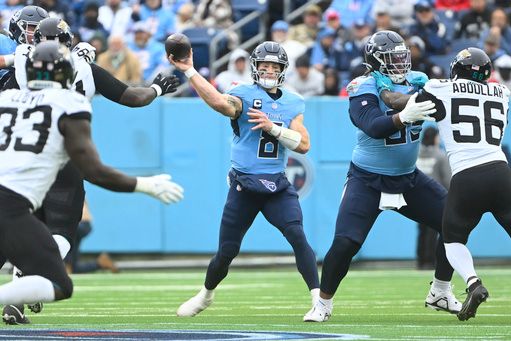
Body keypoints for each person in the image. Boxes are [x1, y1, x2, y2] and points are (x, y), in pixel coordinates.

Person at [1, 15, 180, 324]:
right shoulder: (72, 97)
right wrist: (144, 185)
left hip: (10, 176)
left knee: (22, 239)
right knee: (59, 246)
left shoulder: (8, 94)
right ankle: (22, 282)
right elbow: (95, 165)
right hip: (43, 174)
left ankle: (22, 279)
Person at [303, 30, 461, 323]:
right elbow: (373, 125)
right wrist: (404, 115)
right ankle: (323, 303)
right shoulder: (363, 86)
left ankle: (440, 290)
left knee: (453, 223)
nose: (401, 62)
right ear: (375, 61)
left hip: (408, 178)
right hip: (368, 179)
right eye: (393, 58)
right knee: (346, 242)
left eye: (403, 56)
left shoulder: (419, 81)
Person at [169, 41, 320, 317]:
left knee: (297, 235)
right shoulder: (243, 94)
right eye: (264, 65)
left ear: (283, 70)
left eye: (274, 66)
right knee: (226, 252)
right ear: (255, 67)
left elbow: (304, 144)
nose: (269, 70)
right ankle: (205, 295)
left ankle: (319, 301)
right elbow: (219, 103)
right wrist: (190, 71)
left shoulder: (293, 101)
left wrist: (274, 128)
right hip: (244, 186)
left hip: (276, 185)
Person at [377, 47, 511, 321]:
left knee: (452, 238)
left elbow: (401, 103)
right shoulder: (503, 93)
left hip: (467, 175)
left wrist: (381, 89)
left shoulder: (441, 88)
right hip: (501, 171)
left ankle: (473, 283)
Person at [416, 127, 451, 270]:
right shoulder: (440, 155)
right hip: (434, 197)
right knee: (434, 230)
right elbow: (447, 179)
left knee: (422, 230)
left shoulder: (416, 153)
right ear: (435, 138)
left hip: (417, 198)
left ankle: (421, 260)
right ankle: (430, 261)